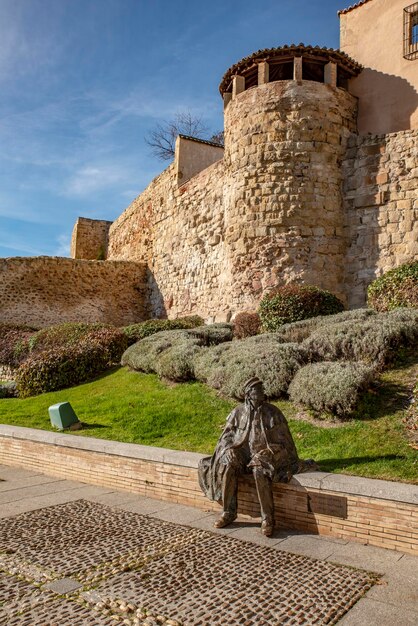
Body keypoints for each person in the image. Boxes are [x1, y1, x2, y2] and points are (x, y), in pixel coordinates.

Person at [198, 377, 317, 536]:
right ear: (248, 394)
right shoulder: (238, 412)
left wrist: (269, 452)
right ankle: (229, 512)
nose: (261, 393)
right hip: (243, 452)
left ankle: (267, 519)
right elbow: (226, 437)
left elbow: (285, 444)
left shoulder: (273, 412)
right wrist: (229, 449)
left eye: (262, 389)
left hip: (265, 454)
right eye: (257, 390)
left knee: (259, 469)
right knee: (228, 463)